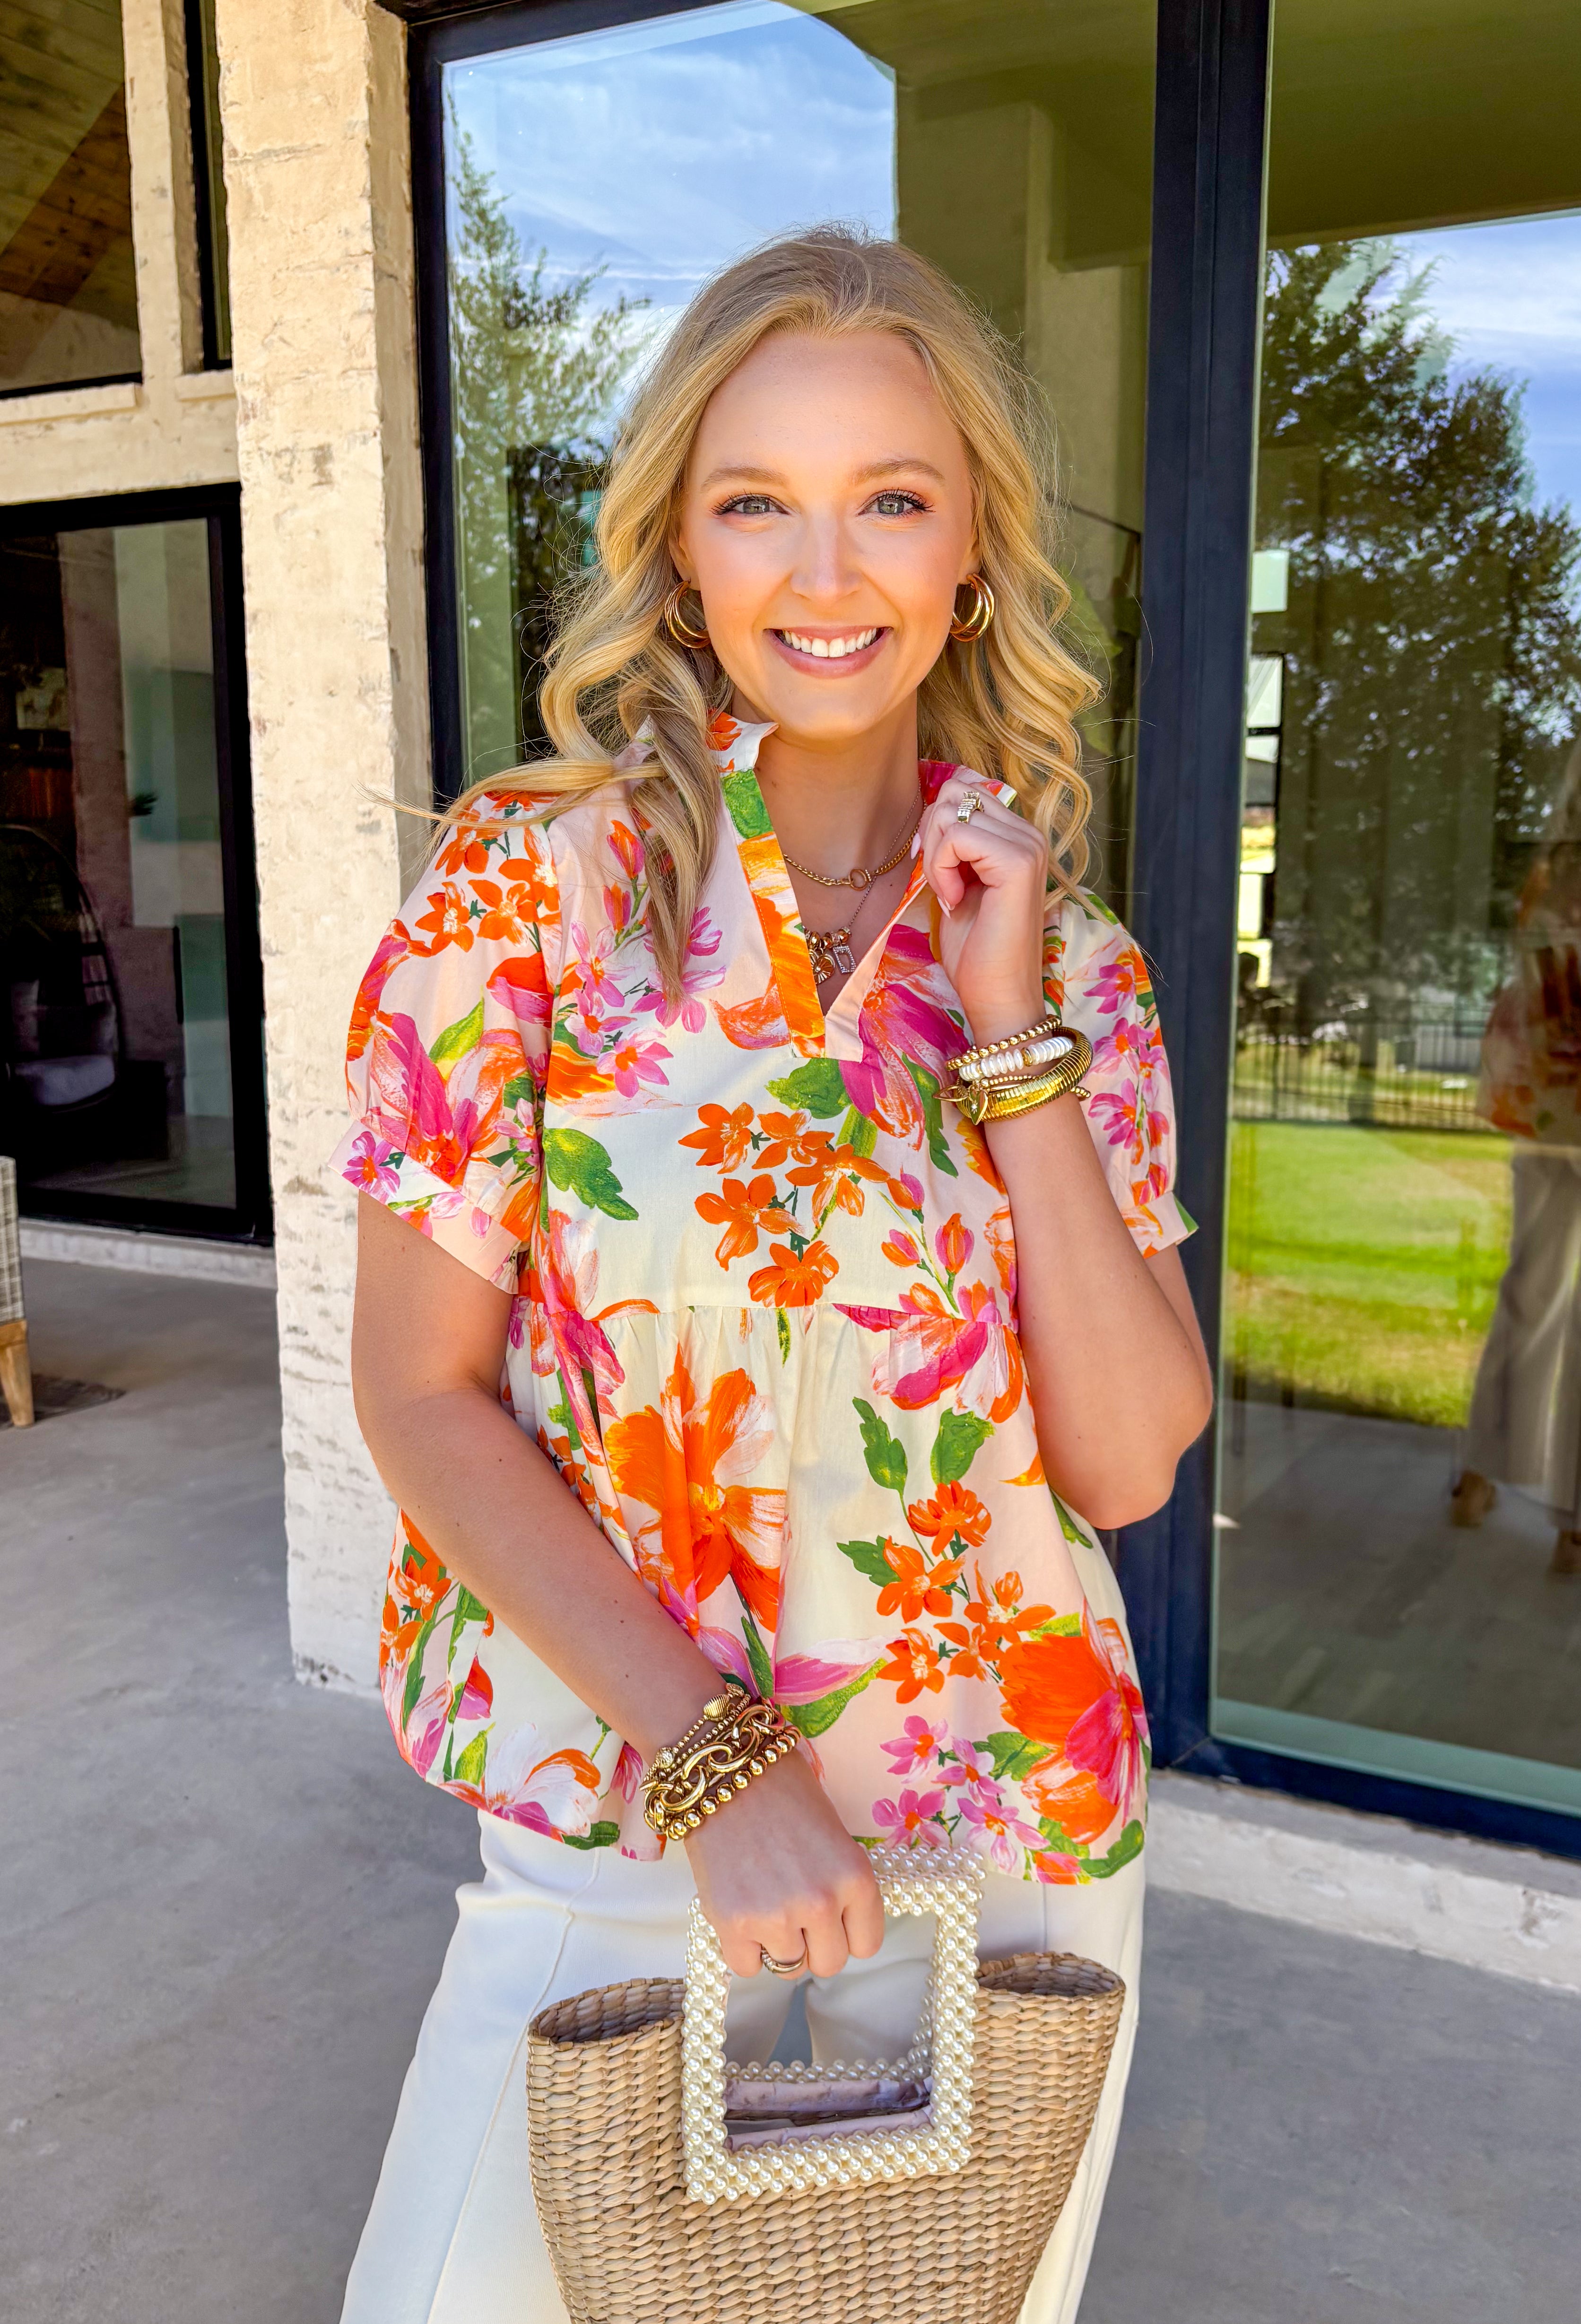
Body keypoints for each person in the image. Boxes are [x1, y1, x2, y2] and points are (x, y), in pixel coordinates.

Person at [334, 228, 1212, 2324]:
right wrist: (718, 1763)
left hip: (1001, 1834)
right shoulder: (523, 891)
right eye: (758, 502)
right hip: (633, 1819)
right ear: (682, 549)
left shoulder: (1069, 956)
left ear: (972, 544)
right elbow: (415, 1386)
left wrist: (1004, 1038)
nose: (825, 573)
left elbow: (1125, 1461)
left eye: (888, 499)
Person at [1453, 737, 1581, 1574]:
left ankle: (1487, 1478)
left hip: (1548, 1105)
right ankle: (1557, 1509)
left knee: (1534, 1290)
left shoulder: (1552, 871)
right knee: (1537, 1292)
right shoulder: (1555, 873)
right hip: (1553, 1108)